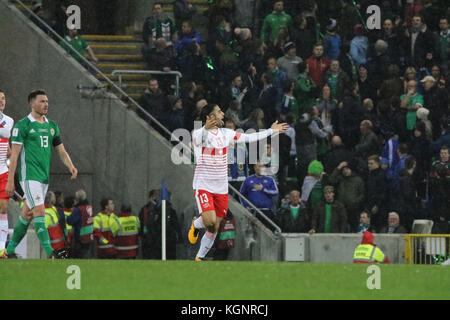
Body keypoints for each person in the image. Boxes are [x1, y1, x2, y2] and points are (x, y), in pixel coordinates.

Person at [188, 103, 288, 261]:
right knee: (210, 222)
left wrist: (271, 130)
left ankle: (199, 258)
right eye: (220, 112)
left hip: (221, 187)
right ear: (210, 117)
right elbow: (198, 140)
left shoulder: (226, 134)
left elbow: (248, 138)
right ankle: (196, 224)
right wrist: (206, 129)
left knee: (214, 227)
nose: (223, 114)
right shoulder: (198, 133)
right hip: (204, 185)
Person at [2, 89, 78, 259]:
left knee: (27, 214)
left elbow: (60, 150)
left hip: (43, 178)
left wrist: (70, 166)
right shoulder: (23, 126)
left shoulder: (52, 126)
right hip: (29, 177)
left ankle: (8, 251)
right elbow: (14, 155)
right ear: (32, 104)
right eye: (42, 101)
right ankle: (50, 253)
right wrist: (10, 181)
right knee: (39, 211)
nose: (46, 104)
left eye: (47, 101)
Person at [329, 161, 365, 231]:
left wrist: (355, 202)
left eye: (347, 169)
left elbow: (362, 194)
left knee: (354, 227)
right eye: (343, 170)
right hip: (342, 208)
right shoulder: (340, 179)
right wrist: (338, 167)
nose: (345, 171)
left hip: (353, 209)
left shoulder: (358, 180)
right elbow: (331, 179)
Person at [0, 89, 14, 253]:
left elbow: (6, 138)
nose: (2, 101)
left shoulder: (9, 120)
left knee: (3, 208)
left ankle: (1, 249)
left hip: (3, 171)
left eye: (3, 98)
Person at [67, 189, 94, 259]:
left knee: (79, 257)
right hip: (89, 236)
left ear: (77, 199)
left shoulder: (78, 209)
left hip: (80, 237)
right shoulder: (89, 207)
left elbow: (70, 221)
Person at [139, 189, 160, 259]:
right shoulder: (145, 209)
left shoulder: (159, 209)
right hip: (148, 239)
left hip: (153, 239)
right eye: (155, 196)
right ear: (151, 197)